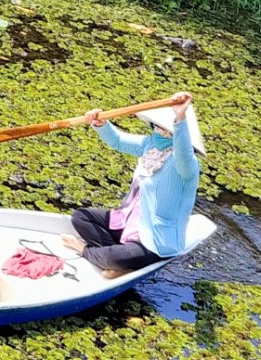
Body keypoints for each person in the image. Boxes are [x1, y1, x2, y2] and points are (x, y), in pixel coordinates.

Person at [61, 92, 203, 276]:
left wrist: (180, 118)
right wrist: (100, 123)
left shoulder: (186, 164)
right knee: (81, 217)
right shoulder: (149, 145)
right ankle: (119, 260)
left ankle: (90, 252)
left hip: (155, 239)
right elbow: (118, 141)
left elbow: (183, 153)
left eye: (167, 128)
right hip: (129, 222)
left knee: (113, 258)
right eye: (159, 126)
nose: (160, 130)